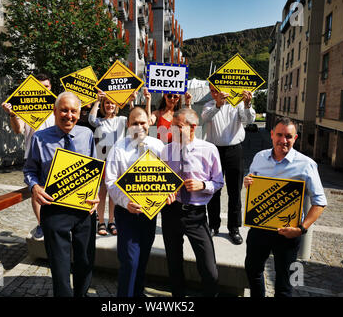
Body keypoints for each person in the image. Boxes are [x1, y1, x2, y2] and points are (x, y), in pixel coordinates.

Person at [23, 92, 100, 297]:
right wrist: (35, 187)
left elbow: (93, 170)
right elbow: (29, 170)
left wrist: (96, 195)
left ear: (79, 113)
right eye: (64, 110)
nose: (69, 115)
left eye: (73, 111)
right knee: (59, 265)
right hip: (54, 209)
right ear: (55, 111)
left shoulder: (87, 134)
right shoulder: (40, 138)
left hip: (84, 209)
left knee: (85, 260)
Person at [243, 117, 327, 297]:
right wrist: (248, 181)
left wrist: (301, 229)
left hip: (288, 232)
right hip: (260, 227)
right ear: (272, 135)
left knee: (284, 282)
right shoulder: (259, 157)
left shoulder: (306, 164)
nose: (283, 140)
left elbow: (320, 202)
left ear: (295, 138)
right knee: (252, 270)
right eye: (279, 135)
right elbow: (252, 181)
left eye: (288, 136)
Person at [160, 108, 224, 297]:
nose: (172, 130)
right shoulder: (166, 150)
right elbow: (161, 181)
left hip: (196, 215)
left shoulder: (209, 150)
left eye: (178, 127)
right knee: (174, 263)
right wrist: (165, 193)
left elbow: (219, 182)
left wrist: (202, 185)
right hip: (171, 212)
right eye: (172, 126)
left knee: (208, 267)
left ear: (193, 127)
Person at [105, 107, 165, 297]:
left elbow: (168, 177)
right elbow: (110, 181)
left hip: (149, 214)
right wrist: (125, 201)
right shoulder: (118, 148)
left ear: (149, 123)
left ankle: (137, 293)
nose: (139, 127)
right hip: (126, 213)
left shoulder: (159, 146)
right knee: (129, 261)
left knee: (142, 260)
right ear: (127, 124)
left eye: (142, 122)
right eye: (134, 123)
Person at [1, 73, 55, 240]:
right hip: (33, 156)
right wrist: (12, 114)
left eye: (46, 87)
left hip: (54, 154)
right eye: (39, 87)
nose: (43, 90)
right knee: (36, 192)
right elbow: (18, 130)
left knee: (57, 192)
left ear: (50, 87)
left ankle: (56, 224)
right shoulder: (26, 106)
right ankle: (41, 225)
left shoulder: (55, 106)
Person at [201, 84, 254, 244]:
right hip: (214, 150)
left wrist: (247, 104)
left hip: (234, 149)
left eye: (217, 90)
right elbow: (205, 118)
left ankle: (234, 227)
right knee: (213, 190)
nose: (215, 93)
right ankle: (213, 225)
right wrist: (218, 104)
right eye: (212, 91)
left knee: (235, 191)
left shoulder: (236, 103)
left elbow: (249, 120)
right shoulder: (208, 105)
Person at [88, 91, 136, 236]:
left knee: (114, 193)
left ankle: (111, 221)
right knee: (102, 193)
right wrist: (97, 101)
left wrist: (131, 102)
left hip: (117, 161)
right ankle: (101, 222)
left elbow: (133, 117)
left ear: (117, 105)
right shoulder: (100, 121)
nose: (110, 105)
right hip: (103, 160)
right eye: (107, 102)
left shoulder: (122, 119)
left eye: (112, 103)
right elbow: (91, 119)